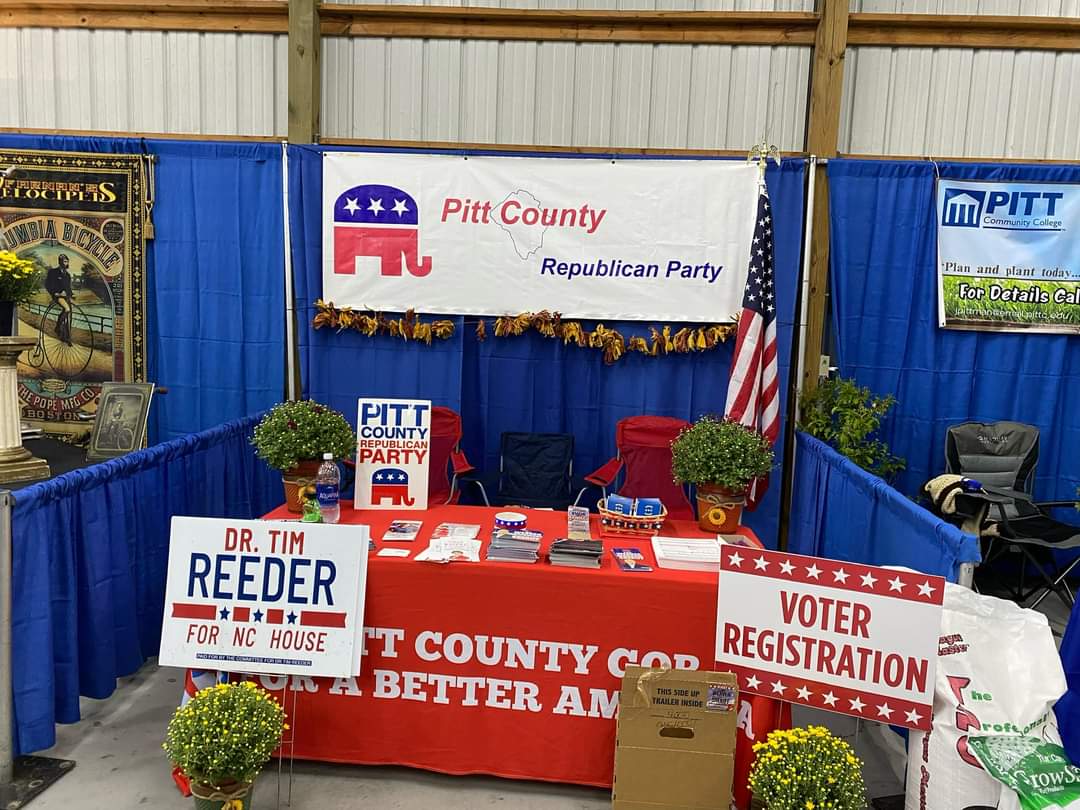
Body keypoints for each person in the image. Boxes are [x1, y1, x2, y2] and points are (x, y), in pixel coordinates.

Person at [44, 253, 73, 345]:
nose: (66, 263)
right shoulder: (53, 272)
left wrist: (71, 294)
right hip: (57, 296)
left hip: (65, 297)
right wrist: (55, 293)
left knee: (68, 316)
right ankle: (57, 328)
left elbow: (68, 288)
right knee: (67, 309)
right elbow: (48, 284)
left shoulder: (67, 275)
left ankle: (67, 337)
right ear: (60, 262)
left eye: (67, 261)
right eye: (64, 261)